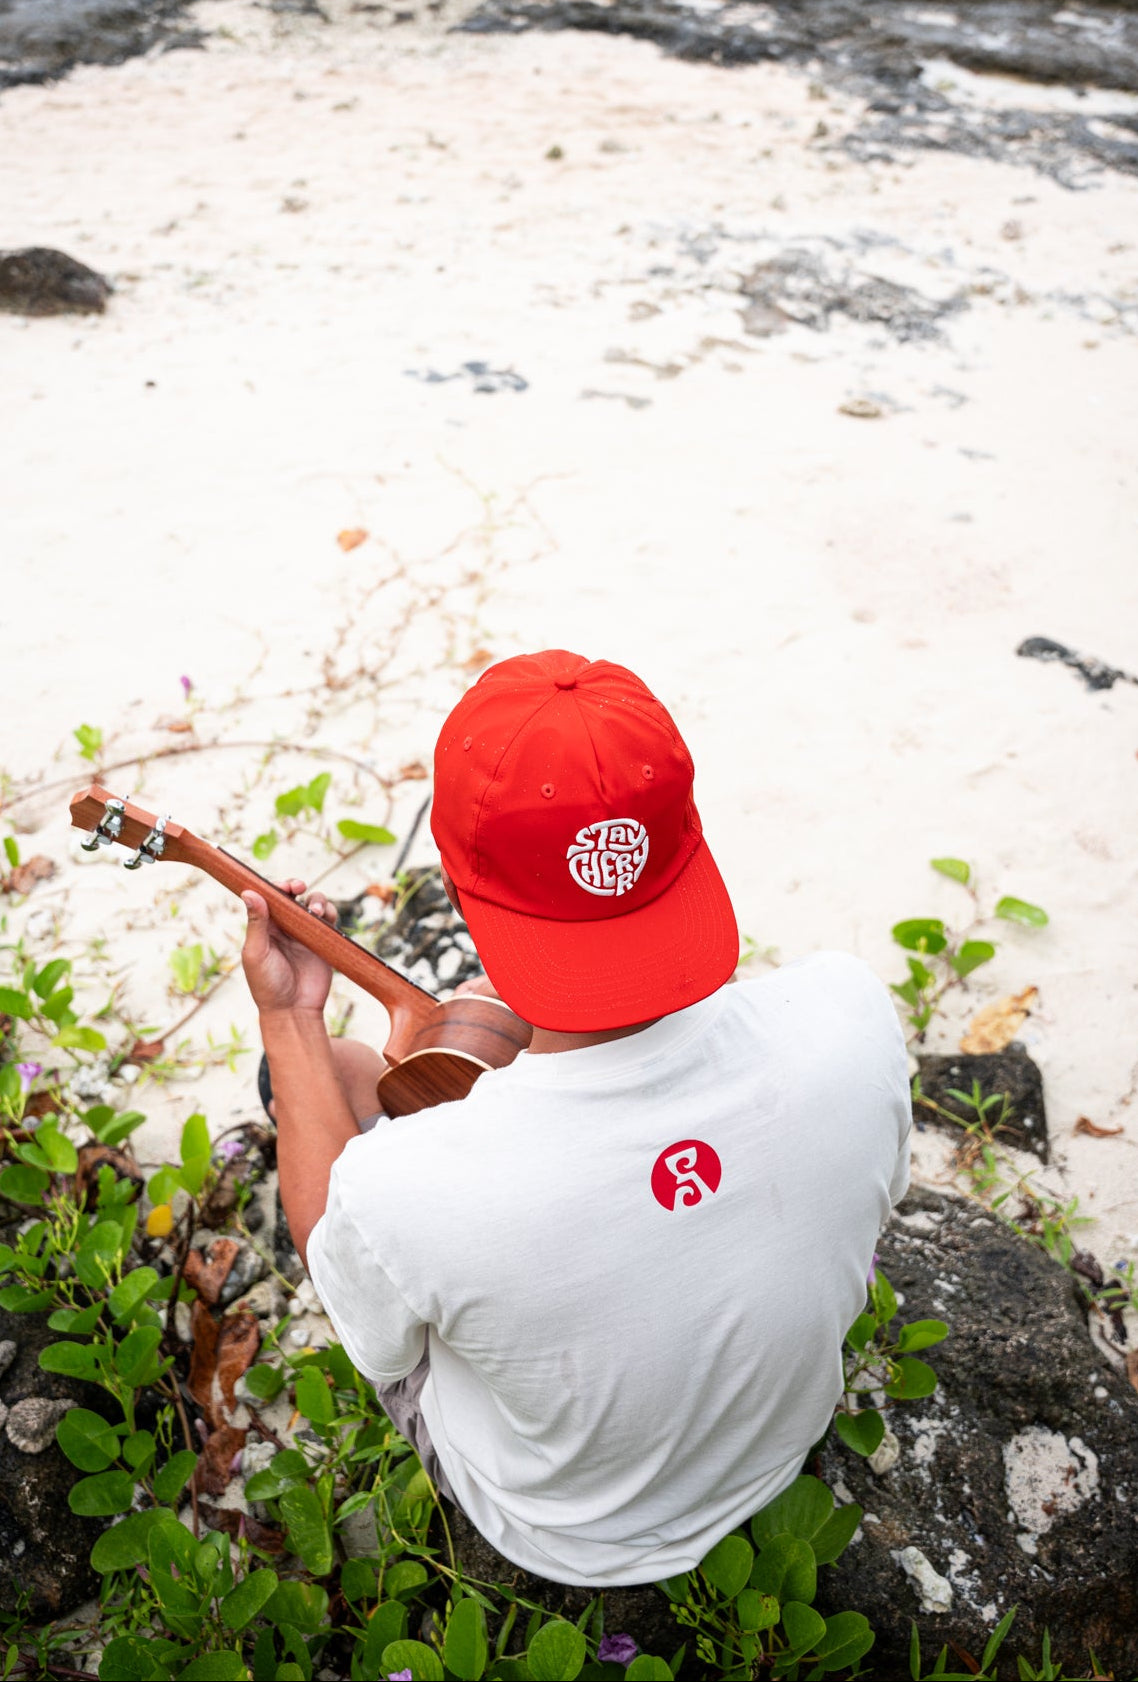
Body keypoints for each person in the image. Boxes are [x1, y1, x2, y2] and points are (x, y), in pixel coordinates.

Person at [239, 648, 911, 1588]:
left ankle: (313, 1046)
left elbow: (363, 1317)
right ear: (688, 836)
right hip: (773, 1454)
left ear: (467, 884)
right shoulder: (850, 1014)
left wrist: (288, 1014)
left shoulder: (407, 1189)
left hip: (564, 1531)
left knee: (338, 1082)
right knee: (406, 1071)